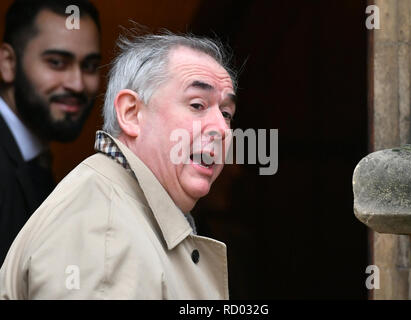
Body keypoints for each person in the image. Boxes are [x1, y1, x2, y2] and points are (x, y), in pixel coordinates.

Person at [0, 32, 237, 299]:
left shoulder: (122, 212)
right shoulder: (105, 230)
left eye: (226, 114)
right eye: (197, 104)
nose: (221, 128)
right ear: (131, 113)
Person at [0, 0, 101, 264]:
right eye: (57, 63)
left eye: (89, 66)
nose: (78, 84)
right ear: (8, 63)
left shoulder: (34, 155)